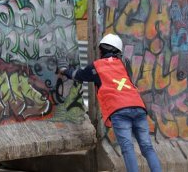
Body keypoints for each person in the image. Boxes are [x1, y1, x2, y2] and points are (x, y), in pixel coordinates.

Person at [58, 34, 162, 172]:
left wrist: (64, 70)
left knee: (127, 147)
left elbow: (78, 75)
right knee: (147, 147)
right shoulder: (123, 64)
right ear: (118, 52)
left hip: (119, 110)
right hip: (138, 106)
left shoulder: (96, 67)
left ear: (101, 50)